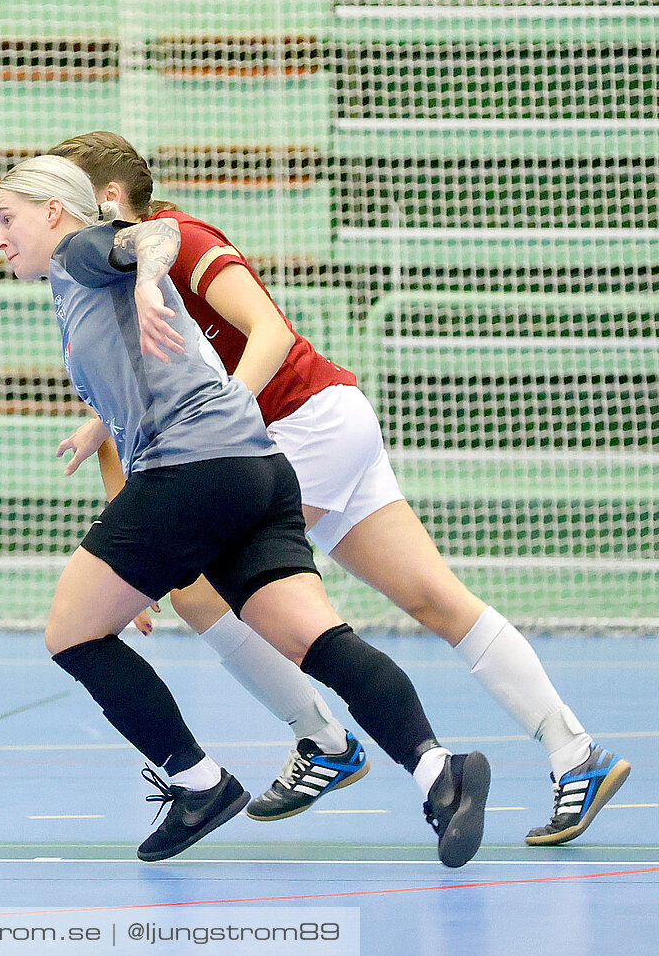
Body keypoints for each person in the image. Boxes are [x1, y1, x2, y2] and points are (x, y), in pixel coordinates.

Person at [50, 131, 630, 845]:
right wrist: (97, 426)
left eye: (63, 193)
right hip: (312, 426)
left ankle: (322, 741)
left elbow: (265, 329)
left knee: (209, 594)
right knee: (433, 598)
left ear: (107, 199)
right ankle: (575, 753)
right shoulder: (112, 272)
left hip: (300, 423)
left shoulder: (182, 240)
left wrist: (223, 419)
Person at [0, 153, 491, 866]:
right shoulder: (76, 287)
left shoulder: (80, 249)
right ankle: (442, 773)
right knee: (314, 638)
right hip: (255, 468)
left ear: (52, 210)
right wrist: (100, 425)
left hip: (194, 472)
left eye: (6, 218)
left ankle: (198, 784)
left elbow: (151, 238)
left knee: (72, 632)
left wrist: (150, 275)